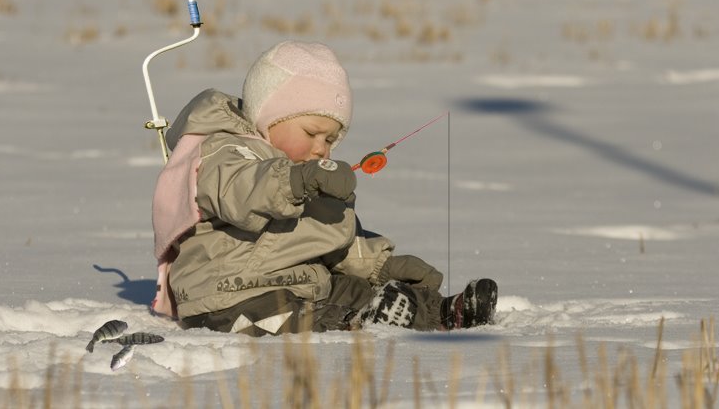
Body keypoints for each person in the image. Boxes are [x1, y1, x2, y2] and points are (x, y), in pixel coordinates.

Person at [150, 40, 497, 336]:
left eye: (331, 139)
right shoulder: (225, 151)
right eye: (311, 133)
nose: (322, 148)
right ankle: (358, 323)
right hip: (227, 296)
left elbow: (331, 236)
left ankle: (442, 313)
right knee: (298, 314)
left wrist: (381, 266)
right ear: (269, 116)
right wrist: (295, 180)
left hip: (300, 283)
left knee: (356, 289)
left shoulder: (304, 176)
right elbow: (240, 191)